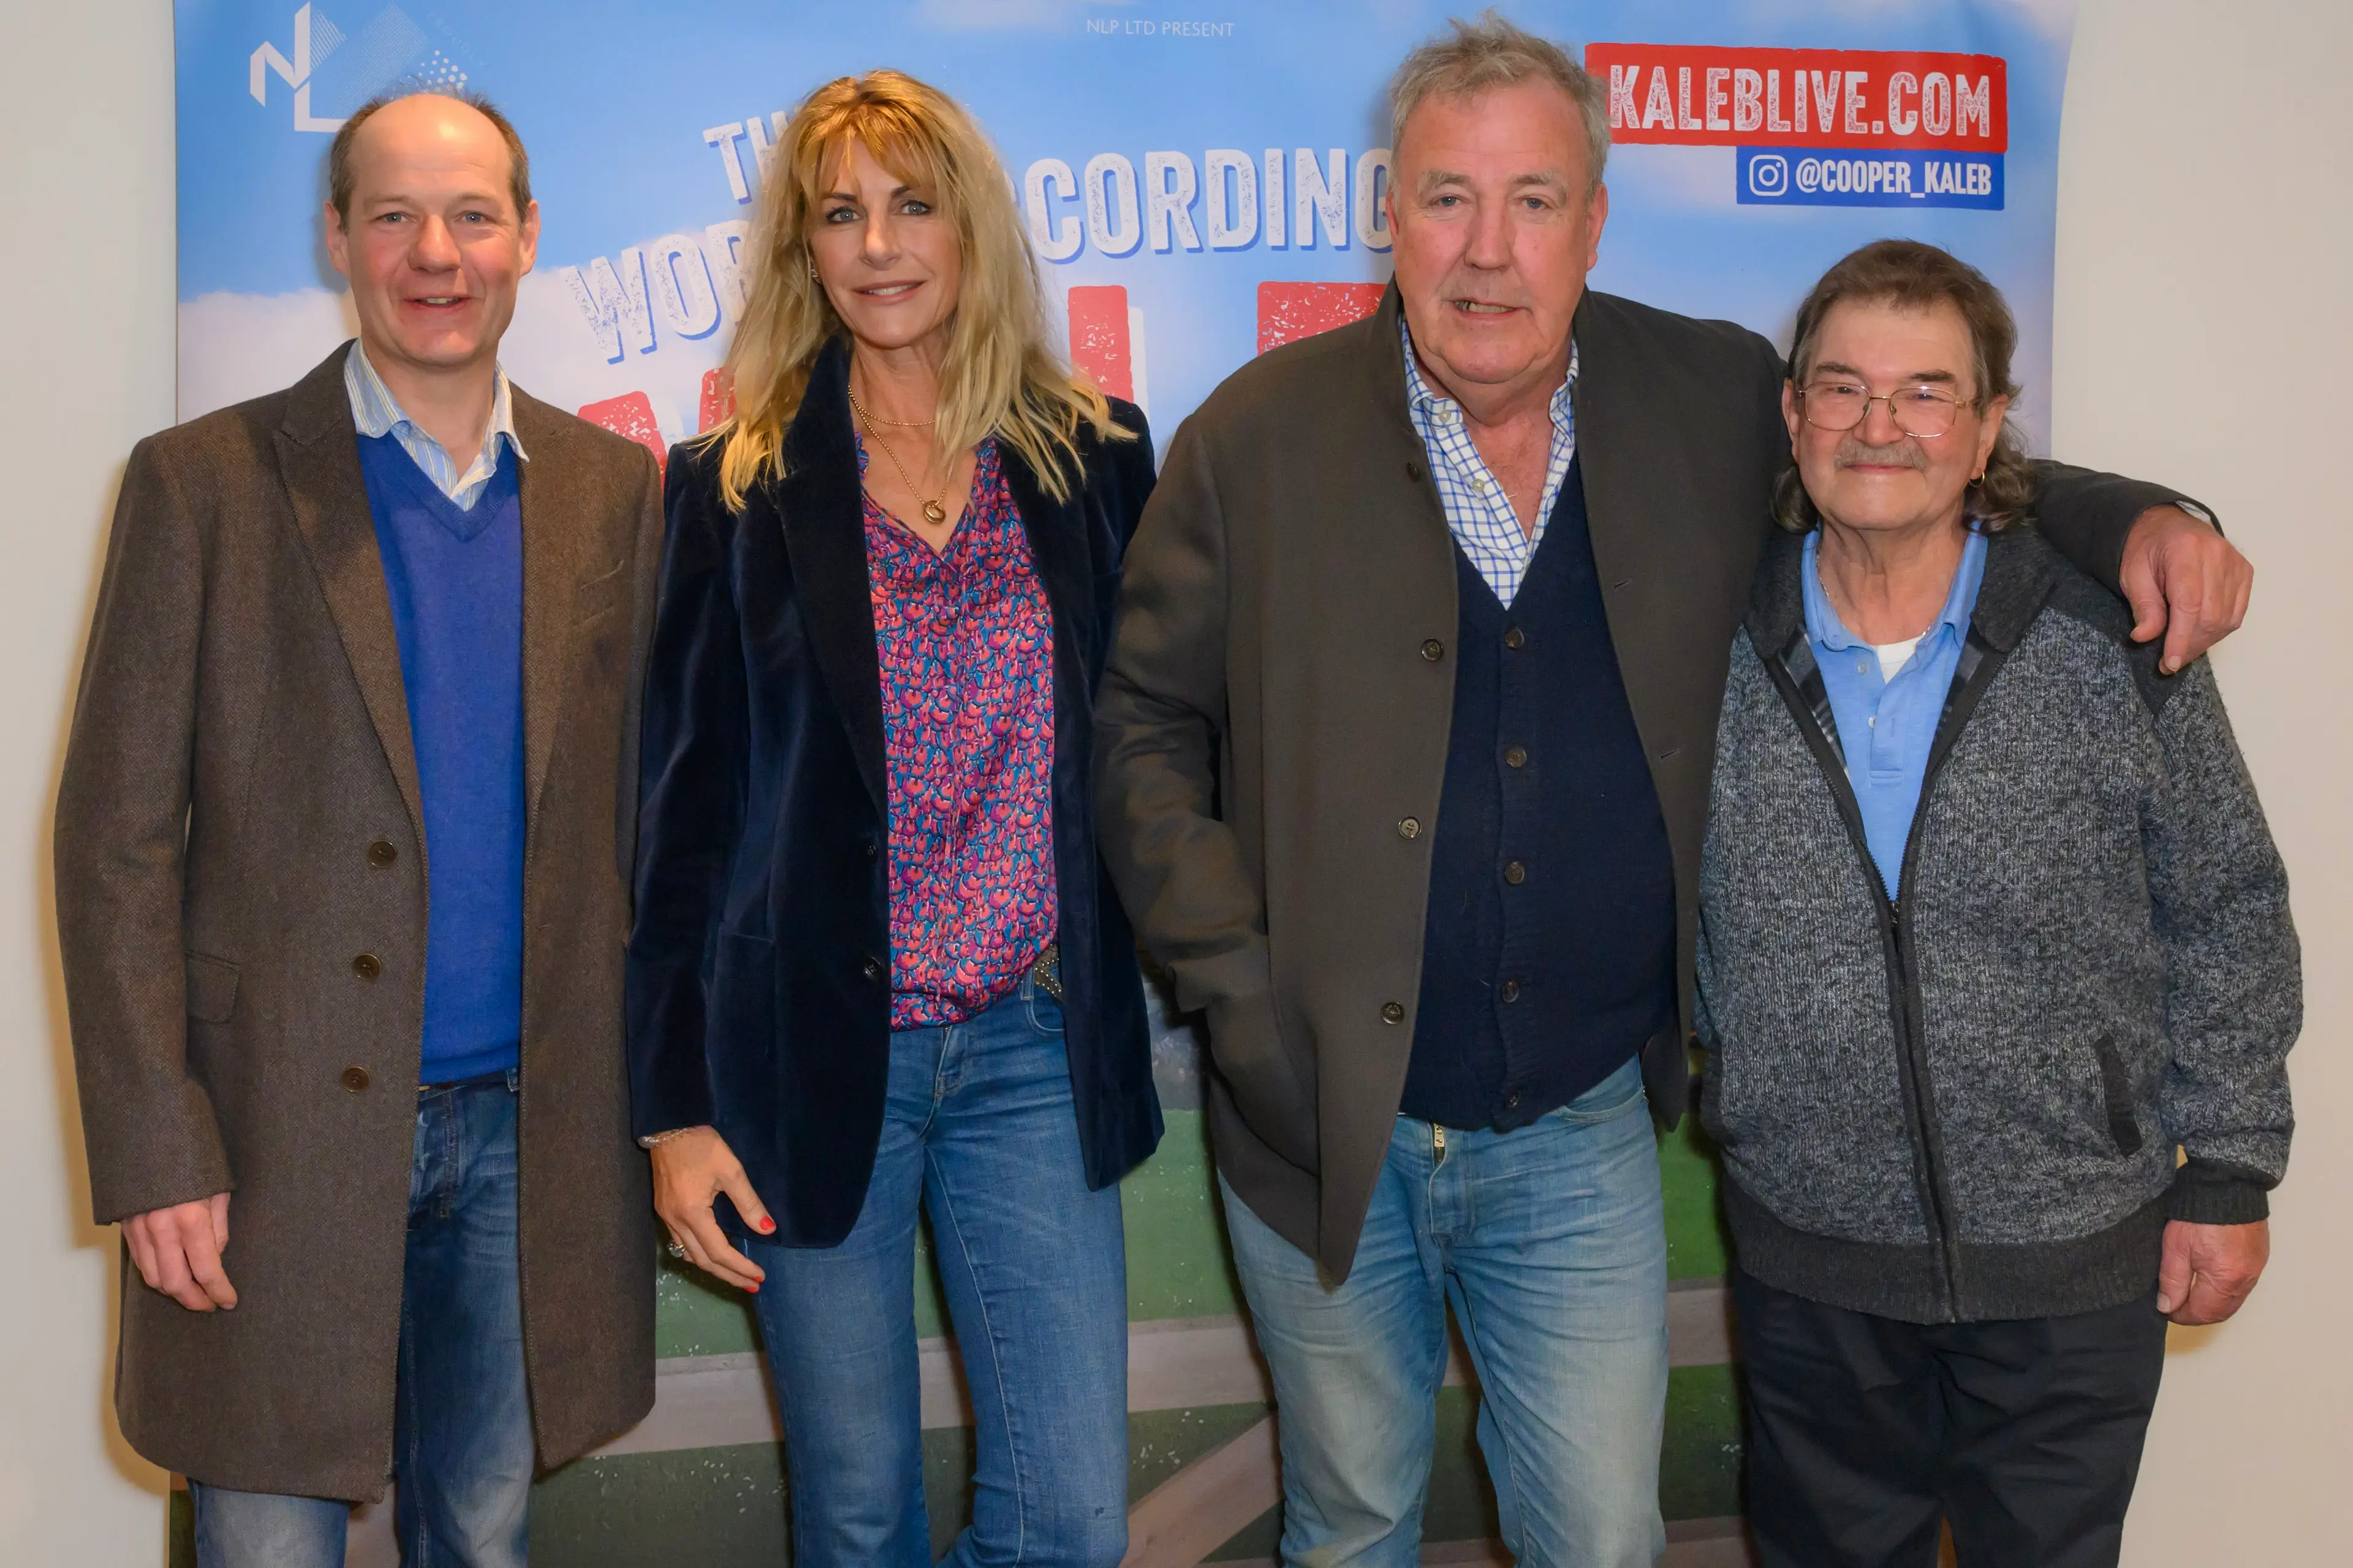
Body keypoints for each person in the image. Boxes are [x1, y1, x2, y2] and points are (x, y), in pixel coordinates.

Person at [1092, 15, 2253, 1567]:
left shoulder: (1706, 391)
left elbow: (1906, 454)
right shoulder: (1253, 436)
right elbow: (1142, 730)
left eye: (1533, 201)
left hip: (1576, 1127)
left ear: (1595, 219)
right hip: (1314, 1127)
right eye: (1448, 198)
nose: (1488, 251)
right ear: (1389, 214)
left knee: (1602, 1537)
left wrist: (2147, 518)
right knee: (1352, 1520)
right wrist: (1236, 994)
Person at [55, 92, 662, 1567]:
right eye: (393, 216)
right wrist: (154, 1147)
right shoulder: (201, 483)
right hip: (269, 1138)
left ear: (527, 236)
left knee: (484, 1536)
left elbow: (648, 827)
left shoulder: (614, 493)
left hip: (530, 1136)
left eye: (472, 216)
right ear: (338, 236)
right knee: (265, 1537)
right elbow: (113, 842)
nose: (435, 254)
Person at [626, 69, 1158, 1568]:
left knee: (1072, 1519)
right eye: (839, 214)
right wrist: (673, 1110)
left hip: (1034, 1049)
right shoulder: (729, 488)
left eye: (911, 205)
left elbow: (1161, 741)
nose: (877, 245)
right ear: (802, 249)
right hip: (807, 1059)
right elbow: (680, 818)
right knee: (859, 1518)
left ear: (969, 224)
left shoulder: (1095, 455)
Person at [1696, 238, 2295, 1568]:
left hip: (2073, 1257)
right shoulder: (1708, 638)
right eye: (1844, 388)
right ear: (1793, 414)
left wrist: (2232, 1169)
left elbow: (2228, 901)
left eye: (1926, 392)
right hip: (1812, 1257)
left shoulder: (2111, 631)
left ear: (1986, 429)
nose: (1880, 426)